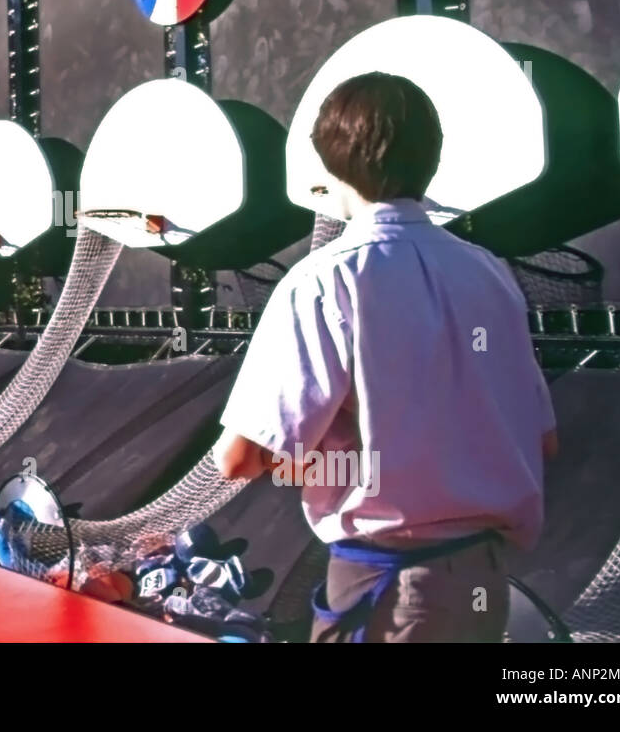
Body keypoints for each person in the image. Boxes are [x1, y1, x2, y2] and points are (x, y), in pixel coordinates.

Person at [213, 72, 558, 643]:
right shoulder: (492, 275)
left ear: (327, 162)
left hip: (389, 592)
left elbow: (243, 458)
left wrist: (349, 465)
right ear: (432, 159)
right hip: (485, 582)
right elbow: (543, 441)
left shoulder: (322, 281)